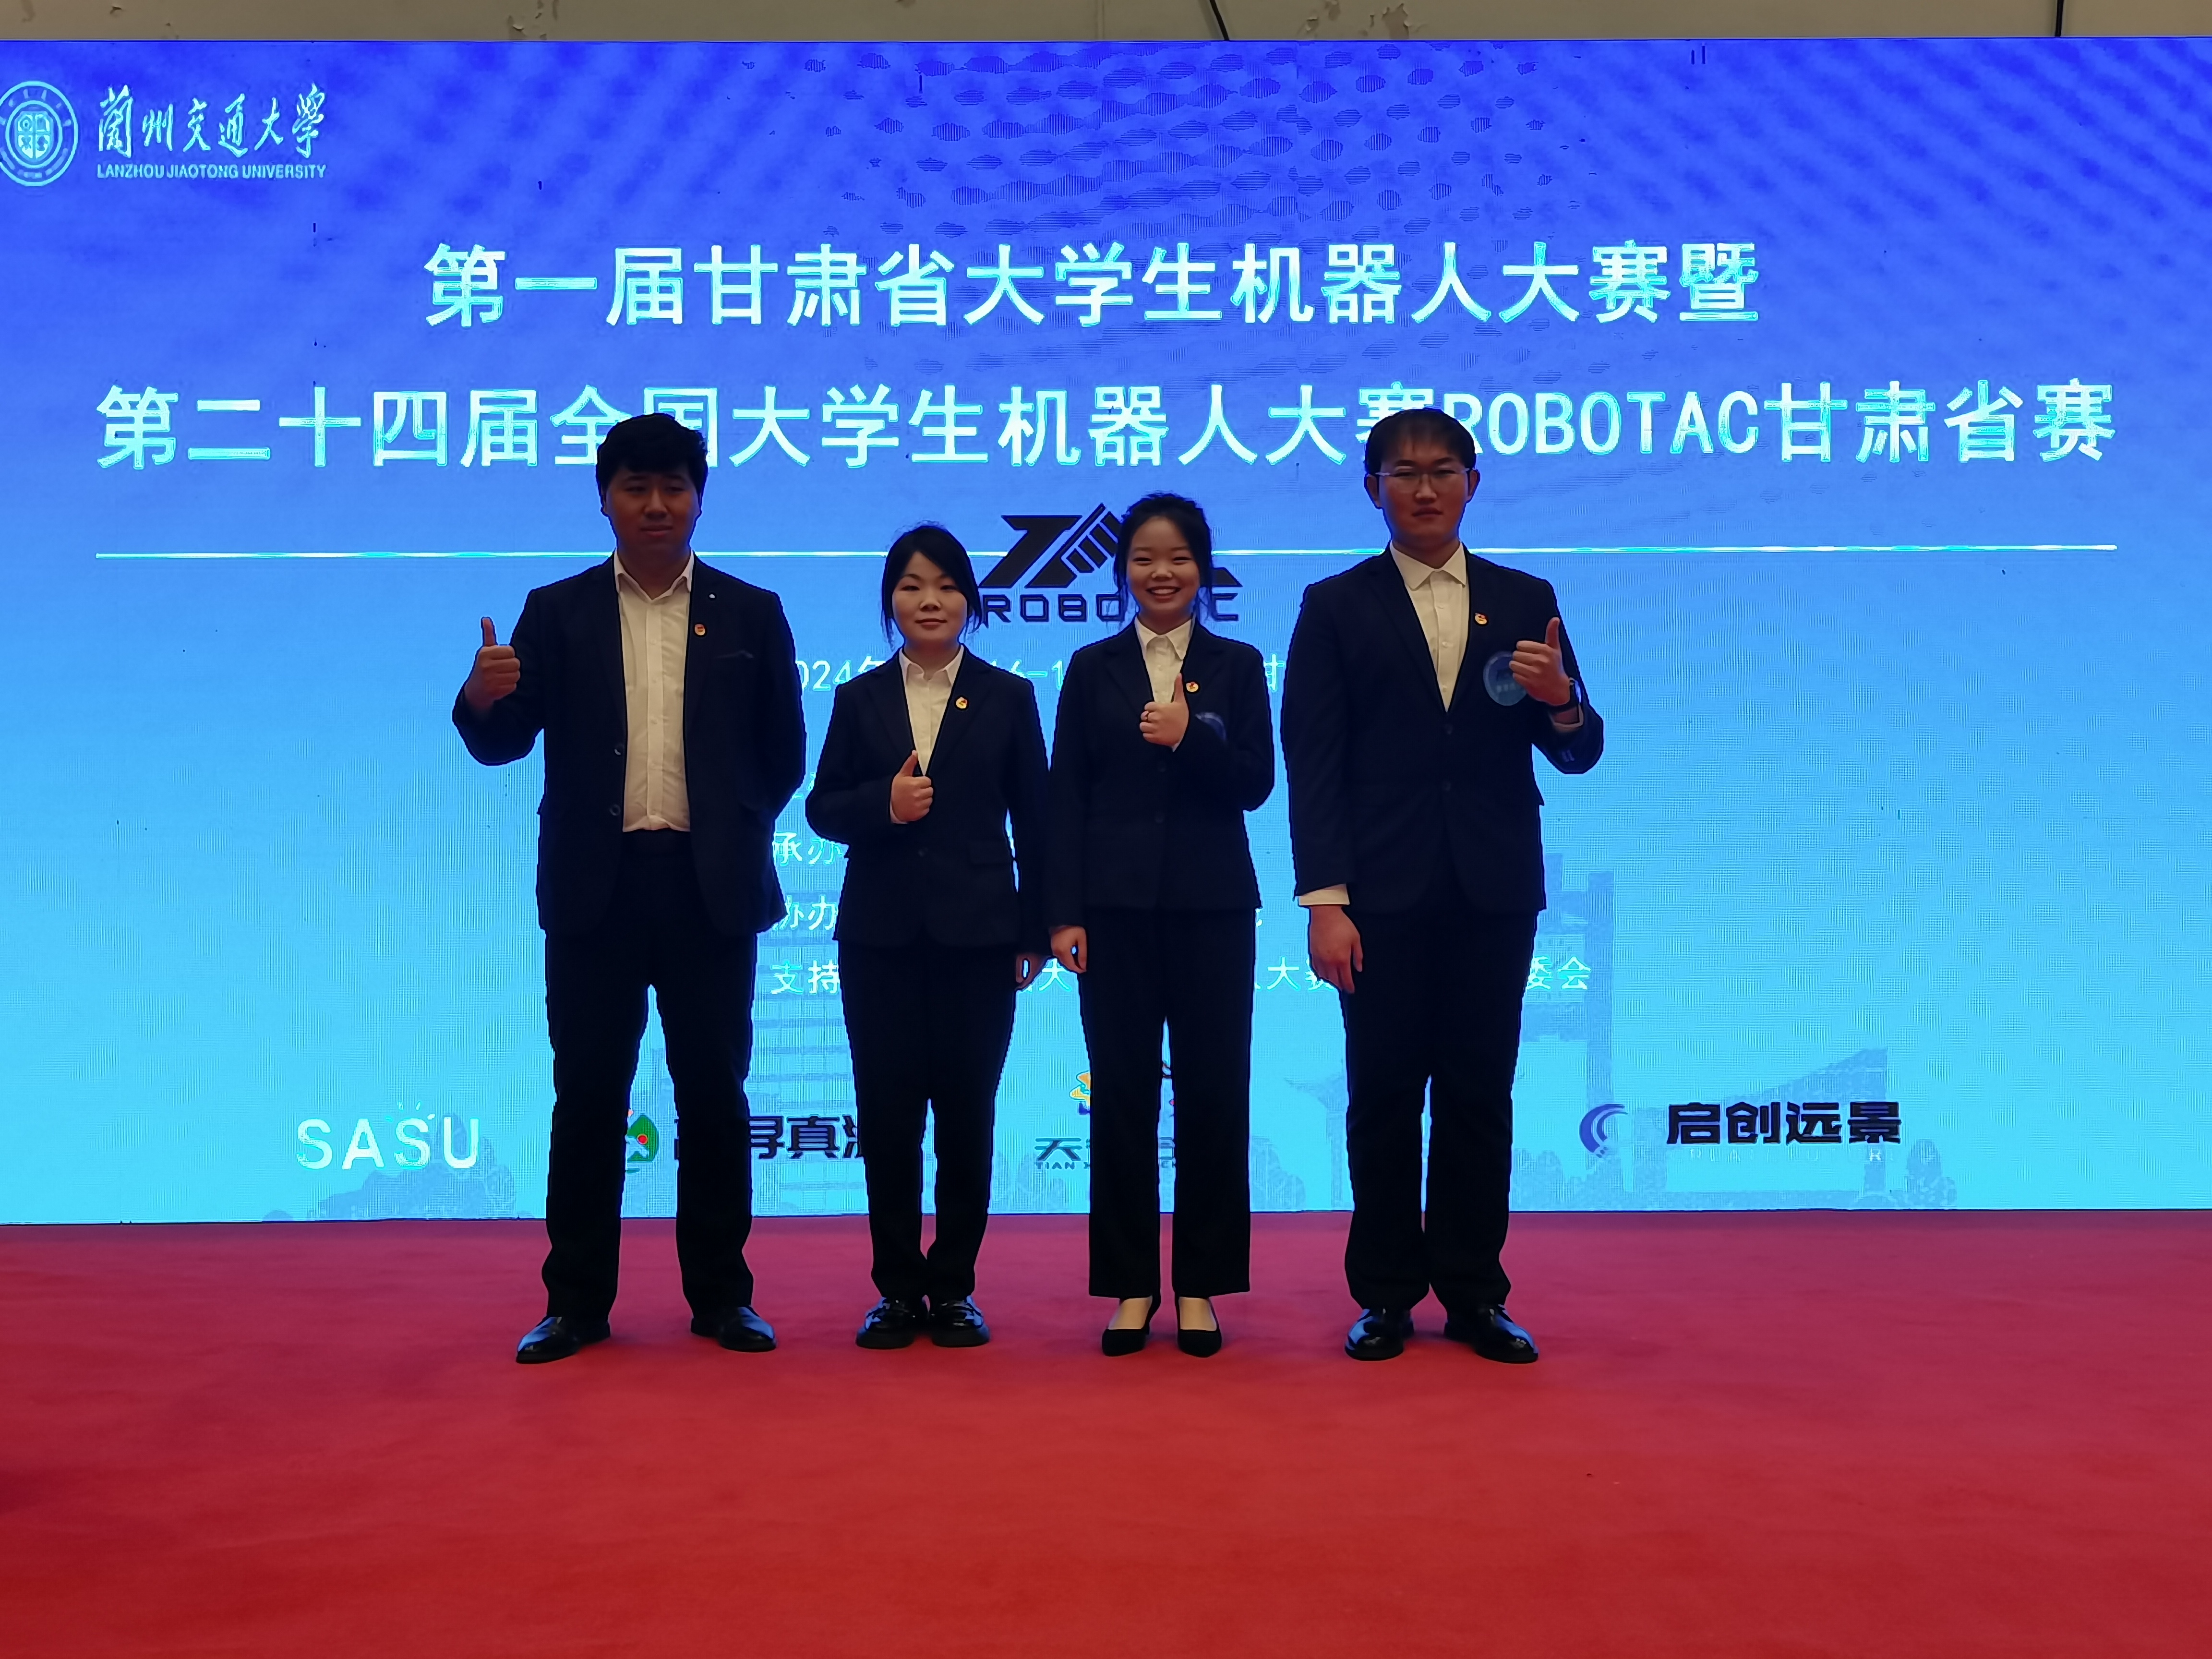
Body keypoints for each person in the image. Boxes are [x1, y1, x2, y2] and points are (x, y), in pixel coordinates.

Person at [453, 412, 805, 1364]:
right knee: (587, 1098)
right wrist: (481, 696)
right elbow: (503, 741)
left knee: (715, 1097)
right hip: (594, 892)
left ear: (699, 498)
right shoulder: (557, 610)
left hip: (708, 890)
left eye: (673, 487)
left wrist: (728, 831)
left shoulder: (751, 611)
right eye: (635, 488)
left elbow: (782, 754)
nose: (656, 505)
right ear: (604, 499)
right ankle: (575, 1305)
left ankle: (723, 1299)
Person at [1281, 407, 1605, 1364]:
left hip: (1492, 889)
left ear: (1473, 481)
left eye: (1442, 470)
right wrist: (1325, 901)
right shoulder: (1335, 605)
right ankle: (1384, 1295)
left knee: (1478, 1093)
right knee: (1383, 1094)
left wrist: (1563, 703)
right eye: (1404, 472)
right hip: (1377, 895)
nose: (1424, 488)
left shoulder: (1525, 597)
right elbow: (1314, 763)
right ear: (1372, 488)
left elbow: (1579, 750)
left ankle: (1474, 1294)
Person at [805, 526, 1049, 1349]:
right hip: (879, 938)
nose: (930, 601)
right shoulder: (859, 698)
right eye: (911, 586)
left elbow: (1037, 820)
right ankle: (897, 1290)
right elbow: (823, 807)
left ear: (970, 600)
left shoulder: (1009, 697)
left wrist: (1035, 929)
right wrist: (884, 804)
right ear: (891, 603)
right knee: (887, 1118)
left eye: (946, 585)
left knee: (967, 1116)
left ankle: (953, 1289)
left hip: (980, 935)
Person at [1046, 493, 1275, 1358]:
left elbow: (1255, 781)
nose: (1162, 573)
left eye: (1178, 558)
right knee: (1122, 1096)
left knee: (1215, 1093)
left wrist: (1191, 737)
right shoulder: (1092, 667)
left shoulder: (1238, 664)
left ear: (1203, 568)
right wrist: (1063, 913)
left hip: (1214, 909)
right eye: (1144, 558)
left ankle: (1202, 1285)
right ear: (1123, 571)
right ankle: (1132, 1285)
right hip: (1113, 914)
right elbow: (1065, 794)